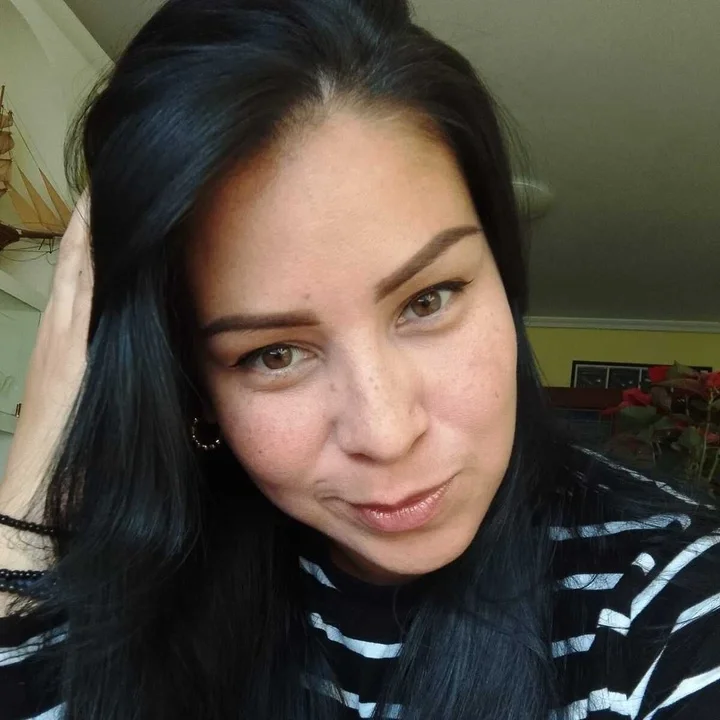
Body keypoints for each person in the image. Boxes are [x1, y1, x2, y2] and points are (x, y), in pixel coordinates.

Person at [0, 0, 718, 718]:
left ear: (503, 278)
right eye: (275, 354)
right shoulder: (143, 591)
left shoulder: (670, 604)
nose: (386, 433)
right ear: (195, 392)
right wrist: (35, 477)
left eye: (428, 300)